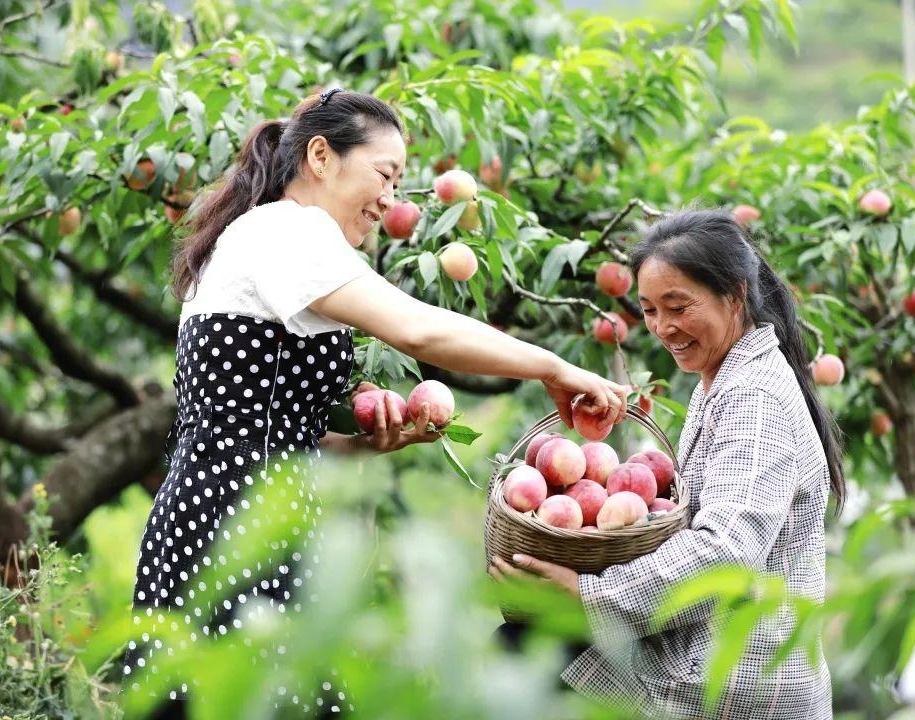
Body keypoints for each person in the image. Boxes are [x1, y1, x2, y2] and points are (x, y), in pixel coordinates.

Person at [124, 88, 628, 718]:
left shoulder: (268, 238)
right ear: (320, 157)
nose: (391, 198)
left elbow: (267, 427)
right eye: (384, 174)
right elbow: (420, 329)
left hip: (250, 513)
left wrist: (364, 442)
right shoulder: (286, 231)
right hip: (235, 522)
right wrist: (553, 366)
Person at [491, 209, 845, 719]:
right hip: (717, 655)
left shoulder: (755, 397)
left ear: (736, 294)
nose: (663, 328)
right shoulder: (724, 378)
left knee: (521, 652)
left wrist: (591, 595)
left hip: (737, 678)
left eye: (677, 306)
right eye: (650, 310)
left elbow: (726, 550)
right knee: (523, 645)